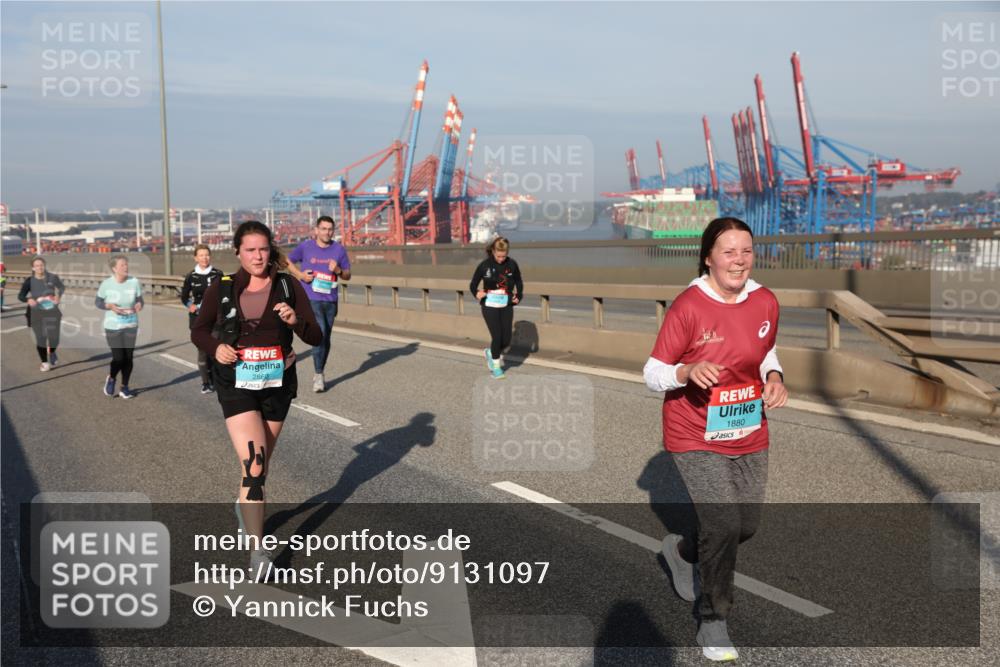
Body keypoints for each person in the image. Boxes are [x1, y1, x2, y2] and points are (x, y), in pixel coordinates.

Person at [642, 217, 788, 662]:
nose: (739, 260)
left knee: (744, 526)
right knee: (723, 525)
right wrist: (685, 372)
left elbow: (764, 351)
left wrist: (775, 376)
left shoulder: (765, 301)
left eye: (746, 250)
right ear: (708, 256)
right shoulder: (688, 306)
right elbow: (652, 373)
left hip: (748, 427)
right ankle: (714, 619)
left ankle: (683, 550)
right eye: (729, 251)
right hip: (693, 430)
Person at [191, 220, 320, 570]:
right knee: (254, 464)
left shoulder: (288, 285)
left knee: (260, 469)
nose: (258, 256)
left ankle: (243, 505)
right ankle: (258, 549)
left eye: (263, 249)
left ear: (271, 250)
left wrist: (294, 322)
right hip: (236, 384)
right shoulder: (223, 288)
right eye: (250, 250)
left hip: (277, 385)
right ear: (238, 252)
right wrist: (217, 348)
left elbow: (315, 337)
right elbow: (200, 330)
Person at [285, 215, 351, 392]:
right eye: (323, 228)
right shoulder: (306, 247)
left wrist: (338, 270)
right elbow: (287, 261)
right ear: (316, 230)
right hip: (310, 298)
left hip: (330, 299)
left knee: (326, 338)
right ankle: (319, 375)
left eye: (330, 229)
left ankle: (319, 370)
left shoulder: (339, 249)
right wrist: (300, 275)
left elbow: (347, 275)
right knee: (320, 332)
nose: (327, 232)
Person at [469, 236, 523, 379]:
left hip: (506, 304)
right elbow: (473, 284)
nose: (501, 259)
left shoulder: (512, 264)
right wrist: (476, 293)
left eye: (504, 256)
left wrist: (519, 295)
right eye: (498, 256)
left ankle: (490, 352)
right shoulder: (484, 266)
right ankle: (496, 367)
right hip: (489, 305)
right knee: (497, 337)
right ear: (493, 251)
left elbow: (518, 281)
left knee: (506, 340)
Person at [96, 255, 143, 399]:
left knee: (128, 358)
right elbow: (98, 302)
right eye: (122, 265)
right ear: (114, 268)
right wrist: (109, 306)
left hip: (131, 324)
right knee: (118, 358)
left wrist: (139, 304)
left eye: (126, 265)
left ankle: (124, 387)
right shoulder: (106, 284)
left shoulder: (134, 282)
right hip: (113, 326)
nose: (126, 267)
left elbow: (139, 299)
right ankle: (111, 378)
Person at [180, 244, 224, 394]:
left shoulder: (218, 274)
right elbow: (184, 297)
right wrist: (190, 305)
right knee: (203, 350)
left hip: (216, 319)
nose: (204, 258)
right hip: (197, 319)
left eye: (207, 255)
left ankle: (217, 381)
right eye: (201, 255)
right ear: (196, 258)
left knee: (215, 349)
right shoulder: (191, 276)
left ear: (210, 256)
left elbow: (226, 293)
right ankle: (206, 382)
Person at [18, 256, 65, 371]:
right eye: (37, 266)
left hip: (52, 312)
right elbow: (20, 296)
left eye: (41, 265)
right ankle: (44, 362)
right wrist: (28, 300)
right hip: (36, 313)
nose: (40, 267)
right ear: (33, 268)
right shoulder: (29, 281)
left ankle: (52, 351)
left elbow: (61, 287)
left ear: (44, 266)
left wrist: (58, 296)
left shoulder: (52, 277)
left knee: (55, 339)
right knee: (41, 338)